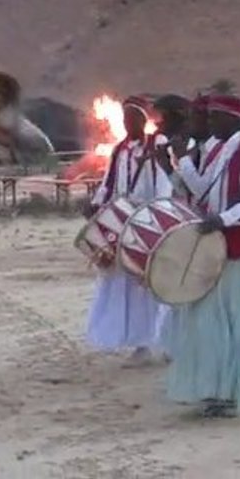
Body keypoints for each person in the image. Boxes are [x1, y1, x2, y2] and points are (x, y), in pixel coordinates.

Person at [166, 95, 240, 418]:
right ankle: (214, 389)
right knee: (207, 319)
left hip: (233, 246)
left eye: (215, 118)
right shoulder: (213, 147)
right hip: (211, 244)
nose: (209, 123)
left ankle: (231, 393)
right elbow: (202, 190)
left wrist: (223, 219)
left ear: (234, 119)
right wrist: (182, 161)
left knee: (232, 318)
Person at [84, 95, 173, 367]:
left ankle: (167, 340)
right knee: (132, 285)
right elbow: (109, 184)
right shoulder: (120, 149)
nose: (127, 123)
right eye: (124, 119)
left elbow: (165, 182)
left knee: (154, 283)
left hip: (149, 222)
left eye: (132, 118)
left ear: (142, 120)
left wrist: (155, 215)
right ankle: (142, 343)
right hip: (124, 223)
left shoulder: (157, 144)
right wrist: (97, 205)